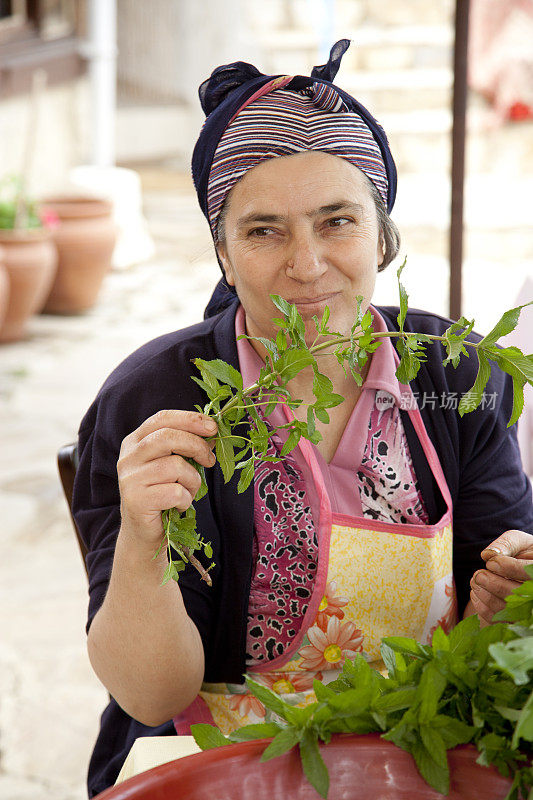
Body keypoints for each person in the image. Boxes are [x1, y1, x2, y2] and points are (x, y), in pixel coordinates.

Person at [72, 40, 533, 797]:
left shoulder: (455, 374)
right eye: (263, 231)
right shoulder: (156, 403)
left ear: (381, 236)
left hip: (423, 743)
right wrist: (142, 534)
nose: (308, 264)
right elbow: (150, 697)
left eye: (336, 221)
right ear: (221, 254)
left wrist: (509, 581)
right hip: (222, 759)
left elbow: (499, 586)